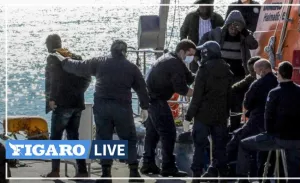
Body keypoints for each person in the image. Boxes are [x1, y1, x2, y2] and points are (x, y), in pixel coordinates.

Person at [50, 40, 150, 183]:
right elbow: (142, 88)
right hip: (122, 107)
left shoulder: (99, 62)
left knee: (103, 138)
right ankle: (133, 173)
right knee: (129, 138)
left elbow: (77, 66)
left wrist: (62, 59)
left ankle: (105, 174)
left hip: (102, 107)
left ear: (111, 50)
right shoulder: (131, 67)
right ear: (124, 52)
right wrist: (145, 106)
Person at [236, 61, 300, 183]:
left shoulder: (274, 93)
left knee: (244, 144)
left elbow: (267, 118)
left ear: (279, 74)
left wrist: (269, 133)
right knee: (294, 172)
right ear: (291, 74)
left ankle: (242, 179)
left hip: (277, 139)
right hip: (297, 140)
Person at [140, 39, 196, 177]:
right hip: (156, 99)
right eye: (190, 54)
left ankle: (148, 163)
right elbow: (182, 88)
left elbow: (188, 79)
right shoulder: (174, 63)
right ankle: (168, 166)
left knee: (152, 134)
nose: (191, 58)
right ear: (182, 51)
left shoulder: (172, 58)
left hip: (150, 99)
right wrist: (200, 93)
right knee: (169, 133)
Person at [200, 10, 258, 132]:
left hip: (239, 76)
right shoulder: (217, 34)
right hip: (221, 76)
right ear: (227, 24)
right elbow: (202, 43)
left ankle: (235, 129)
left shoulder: (244, 36)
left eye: (237, 25)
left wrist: (244, 32)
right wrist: (199, 58)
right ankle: (221, 128)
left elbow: (254, 45)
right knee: (221, 103)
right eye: (231, 24)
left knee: (236, 104)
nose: (234, 28)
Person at [184, 41, 233, 182]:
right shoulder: (228, 70)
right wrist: (227, 115)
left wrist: (188, 117)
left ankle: (196, 176)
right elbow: (230, 96)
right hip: (221, 116)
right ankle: (223, 176)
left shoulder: (204, 70)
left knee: (199, 146)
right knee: (220, 148)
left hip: (203, 116)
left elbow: (197, 97)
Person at [44, 34, 91, 178]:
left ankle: (55, 171)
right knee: (73, 137)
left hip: (61, 104)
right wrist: (79, 92)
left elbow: (53, 80)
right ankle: (82, 170)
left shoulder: (53, 58)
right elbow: (87, 77)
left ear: (49, 45)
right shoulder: (76, 57)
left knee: (56, 139)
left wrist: (51, 99)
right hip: (77, 104)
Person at [228, 59, 278, 178]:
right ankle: (265, 176)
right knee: (267, 152)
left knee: (240, 143)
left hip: (257, 122)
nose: (255, 74)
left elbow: (247, 103)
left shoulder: (257, 84)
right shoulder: (279, 81)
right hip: (276, 126)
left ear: (262, 70)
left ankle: (241, 176)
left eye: (255, 71)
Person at [180, 0, 224, 73]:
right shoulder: (191, 17)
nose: (203, 6)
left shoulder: (218, 19)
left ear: (211, 5)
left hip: (212, 55)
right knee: (195, 77)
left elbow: (223, 35)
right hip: (195, 54)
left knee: (212, 76)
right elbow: (183, 33)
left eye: (206, 4)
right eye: (201, 4)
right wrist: (188, 50)